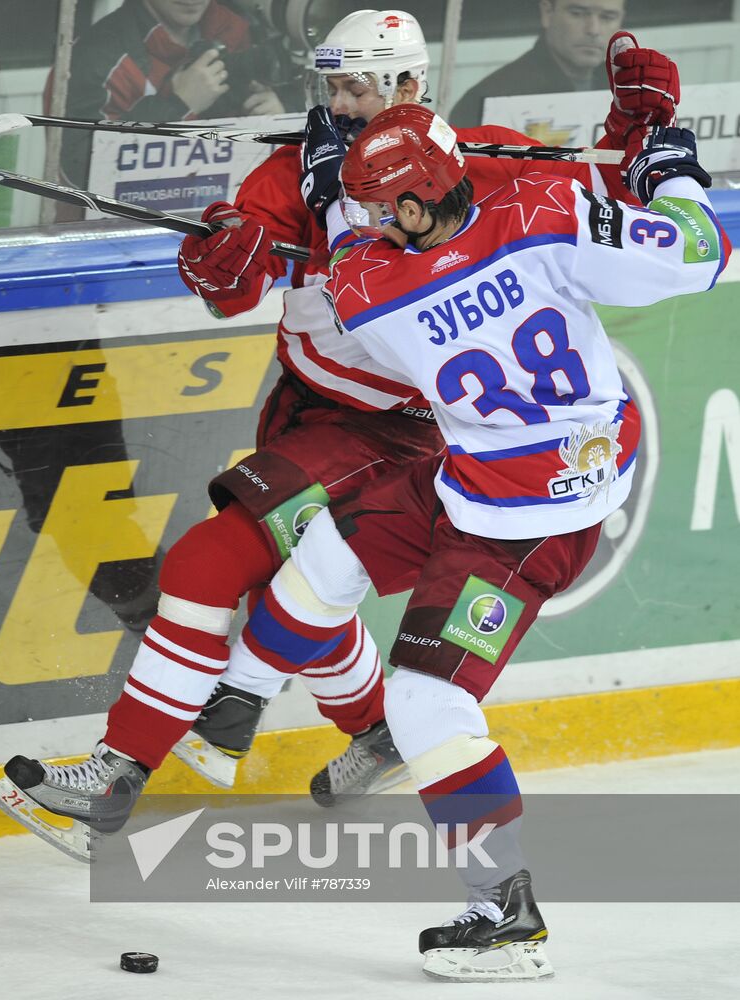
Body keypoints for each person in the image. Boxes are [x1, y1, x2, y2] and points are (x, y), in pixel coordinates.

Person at [0, 13, 682, 864]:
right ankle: (376, 730)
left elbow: (598, 197)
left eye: (356, 88)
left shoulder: (460, 165)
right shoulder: (303, 172)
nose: (338, 103)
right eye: (331, 88)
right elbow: (234, 286)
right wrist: (228, 256)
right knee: (303, 580)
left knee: (212, 564)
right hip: (311, 414)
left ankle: (114, 777)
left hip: (410, 433)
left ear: (408, 89)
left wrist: (628, 133)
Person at [228, 105, 729, 980]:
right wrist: (666, 166)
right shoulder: (546, 207)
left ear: (414, 209)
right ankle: (231, 708)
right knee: (327, 555)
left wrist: (320, 190)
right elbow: (699, 249)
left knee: (424, 702)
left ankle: (504, 913)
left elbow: (342, 254)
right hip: (505, 467)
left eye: (383, 207)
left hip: (528, 522)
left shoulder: (373, 290)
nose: (375, 221)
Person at [57, 0, 287, 186]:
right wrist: (178, 105)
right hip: (122, 230)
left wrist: (278, 120)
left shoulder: (236, 28)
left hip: (222, 217)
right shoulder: (96, 58)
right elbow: (78, 172)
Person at [450, 0, 627, 127]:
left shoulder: (629, 89)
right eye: (578, 13)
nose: (593, 30)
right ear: (547, 13)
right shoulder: (486, 98)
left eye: (607, 17)